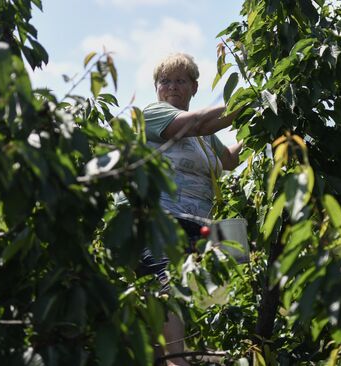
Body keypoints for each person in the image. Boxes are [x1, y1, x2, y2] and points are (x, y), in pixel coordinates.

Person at [143, 53, 242, 366]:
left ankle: (175, 356)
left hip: (198, 227)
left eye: (180, 81)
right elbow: (196, 122)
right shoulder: (153, 114)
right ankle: (177, 360)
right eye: (165, 81)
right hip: (161, 220)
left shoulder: (207, 138)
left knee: (229, 270)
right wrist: (252, 100)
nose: (172, 87)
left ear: (194, 87)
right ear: (156, 88)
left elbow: (228, 160)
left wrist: (267, 128)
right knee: (165, 285)